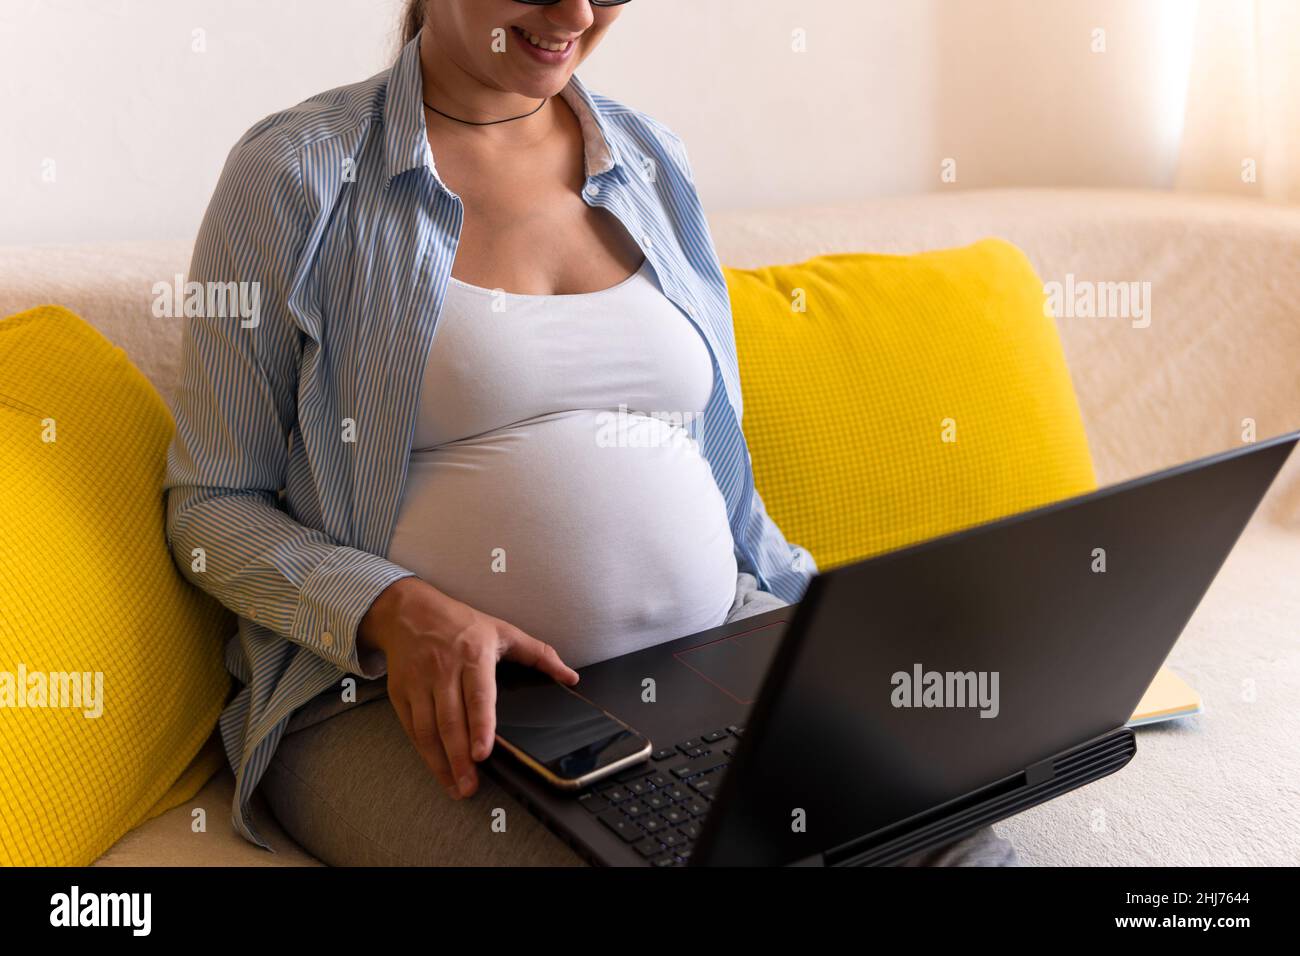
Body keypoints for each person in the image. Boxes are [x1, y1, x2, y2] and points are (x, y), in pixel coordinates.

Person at [165, 0, 1017, 867]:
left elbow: (721, 477)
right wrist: (389, 609)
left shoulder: (648, 159)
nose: (575, 12)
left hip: (704, 660)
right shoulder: (295, 175)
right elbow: (210, 504)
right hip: (405, 704)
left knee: (952, 841)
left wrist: (826, 630)